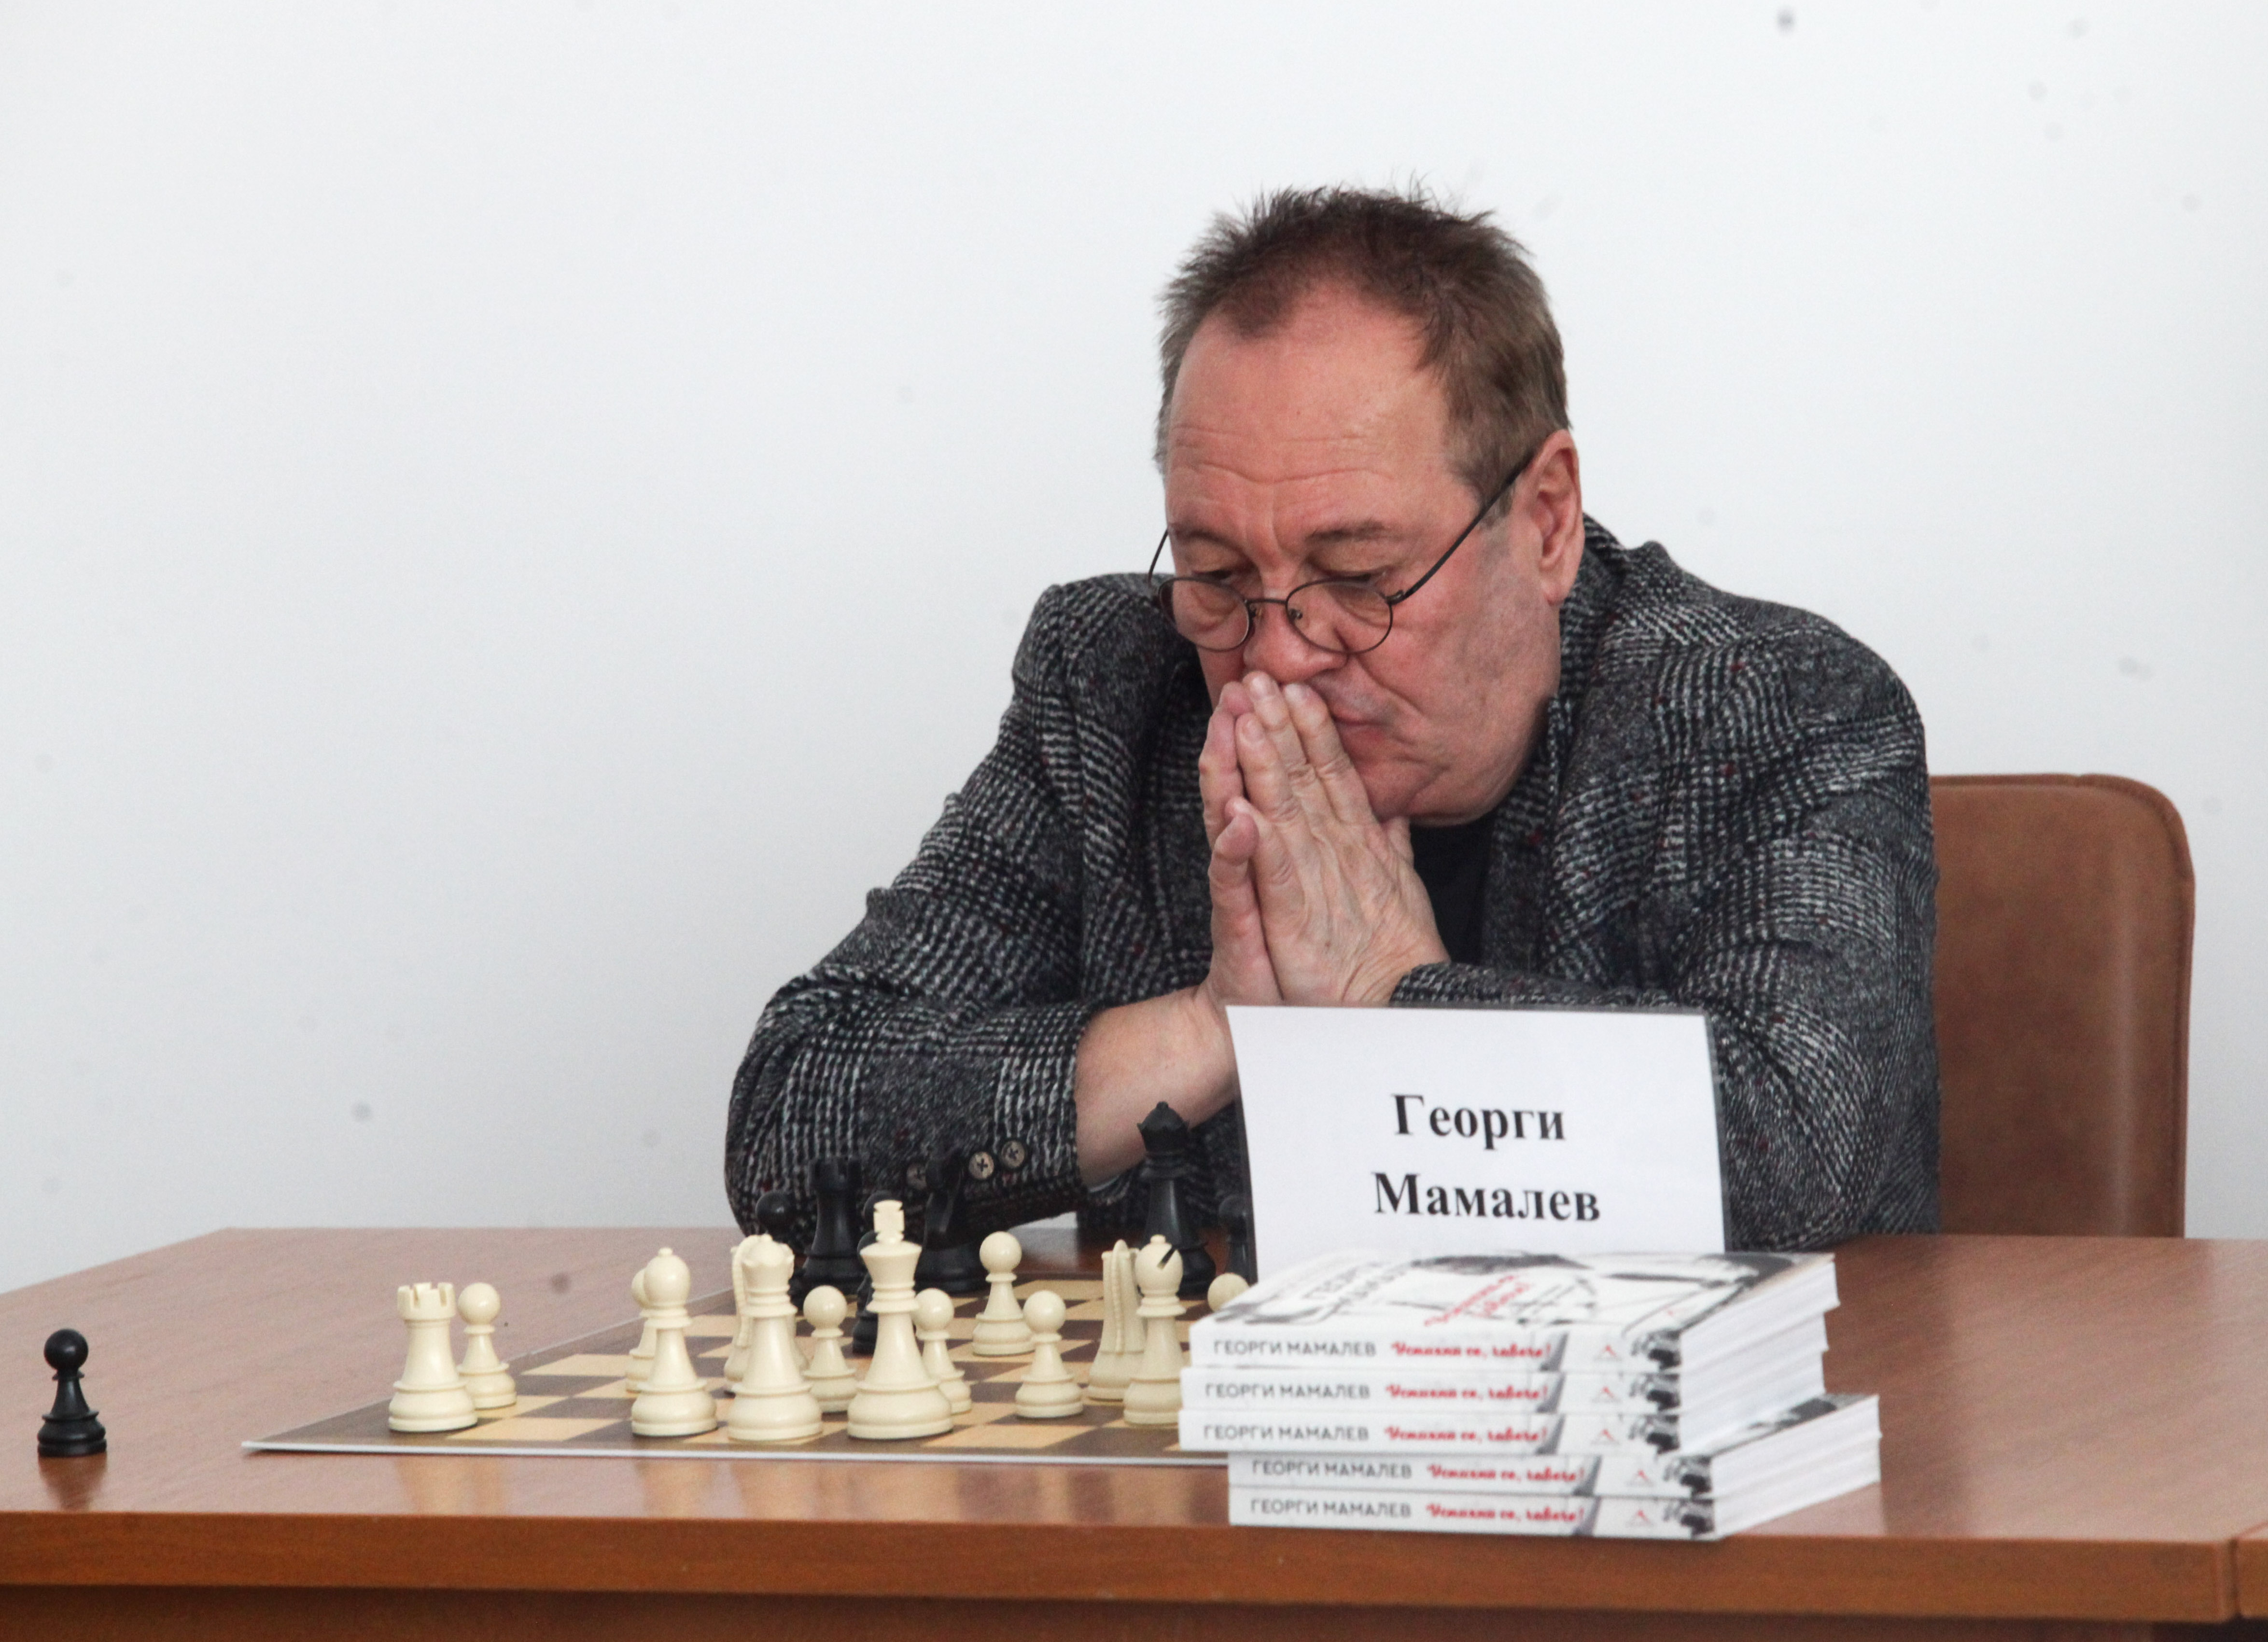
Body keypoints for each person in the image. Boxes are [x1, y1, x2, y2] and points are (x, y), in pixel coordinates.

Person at [726, 185, 1938, 1254]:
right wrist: (1216, 1025)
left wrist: (1386, 994)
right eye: (1215, 574)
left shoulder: (1778, 707)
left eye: (1359, 577)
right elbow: (794, 1120)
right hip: (1227, 1440)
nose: (1276, 654)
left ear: (1546, 520)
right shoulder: (1113, 688)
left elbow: (1802, 1142)